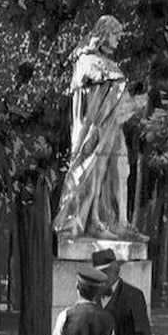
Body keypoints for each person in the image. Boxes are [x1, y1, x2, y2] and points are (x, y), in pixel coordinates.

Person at [52, 15, 148, 241]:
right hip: (96, 130)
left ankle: (121, 222)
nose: (118, 40)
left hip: (113, 127)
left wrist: (134, 104)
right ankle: (93, 220)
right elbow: (95, 103)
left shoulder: (110, 65)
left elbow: (116, 101)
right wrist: (133, 103)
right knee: (96, 171)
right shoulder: (88, 61)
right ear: (103, 34)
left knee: (122, 170)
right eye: (115, 34)